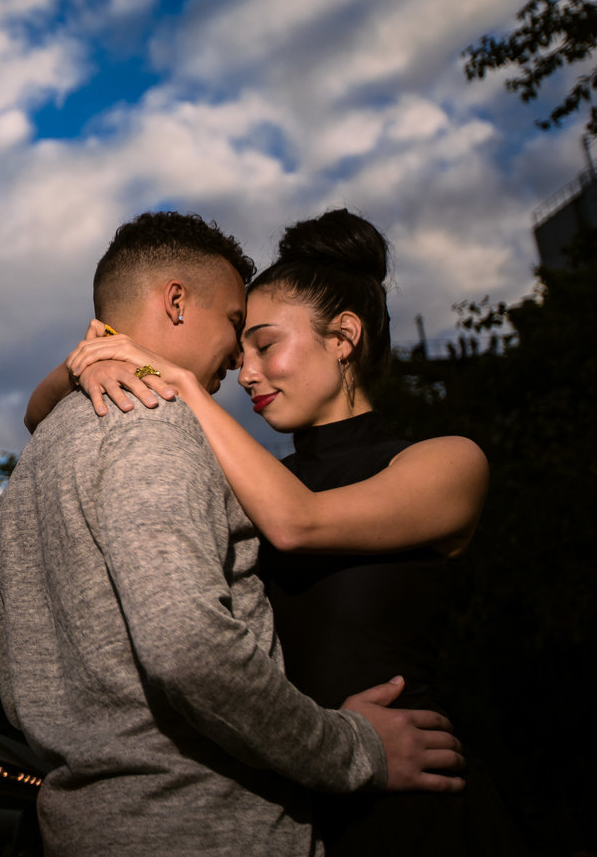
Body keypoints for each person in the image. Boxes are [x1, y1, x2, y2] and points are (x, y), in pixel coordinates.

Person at [31, 208, 521, 853]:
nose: (245, 371)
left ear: (343, 337)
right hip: (287, 799)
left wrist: (175, 379)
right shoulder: (245, 474)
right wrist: (91, 364)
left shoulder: (446, 461)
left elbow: (298, 523)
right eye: (240, 350)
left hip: (406, 789)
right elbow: (40, 418)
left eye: (263, 344)